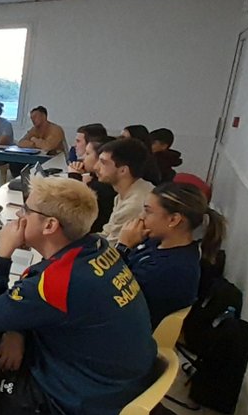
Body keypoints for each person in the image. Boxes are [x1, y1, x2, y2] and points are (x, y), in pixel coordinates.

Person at [0, 175, 155, 415]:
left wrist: (2, 254)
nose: (19, 217)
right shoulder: (99, 247)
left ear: (49, 225)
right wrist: (16, 329)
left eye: (26, 211)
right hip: (111, 389)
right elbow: (39, 306)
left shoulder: (56, 283)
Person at [117, 182, 227, 328]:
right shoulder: (155, 242)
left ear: (174, 220)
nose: (141, 217)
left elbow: (111, 293)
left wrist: (123, 248)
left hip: (128, 331)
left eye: (148, 211)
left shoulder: (173, 269)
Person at [95, 137, 154, 244]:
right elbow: (107, 232)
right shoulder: (127, 192)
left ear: (123, 170)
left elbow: (111, 248)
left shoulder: (133, 205)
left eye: (103, 163)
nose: (96, 167)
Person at [76, 135, 116, 234]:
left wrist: (75, 178)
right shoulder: (96, 182)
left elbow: (73, 216)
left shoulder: (100, 187)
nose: (83, 157)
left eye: (87, 153)